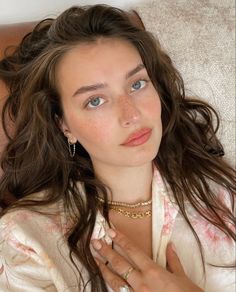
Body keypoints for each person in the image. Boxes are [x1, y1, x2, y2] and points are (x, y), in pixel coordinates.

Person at [0, 4, 235, 292]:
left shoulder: (226, 197)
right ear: (64, 125)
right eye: (95, 100)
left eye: (137, 84)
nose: (131, 114)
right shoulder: (26, 236)